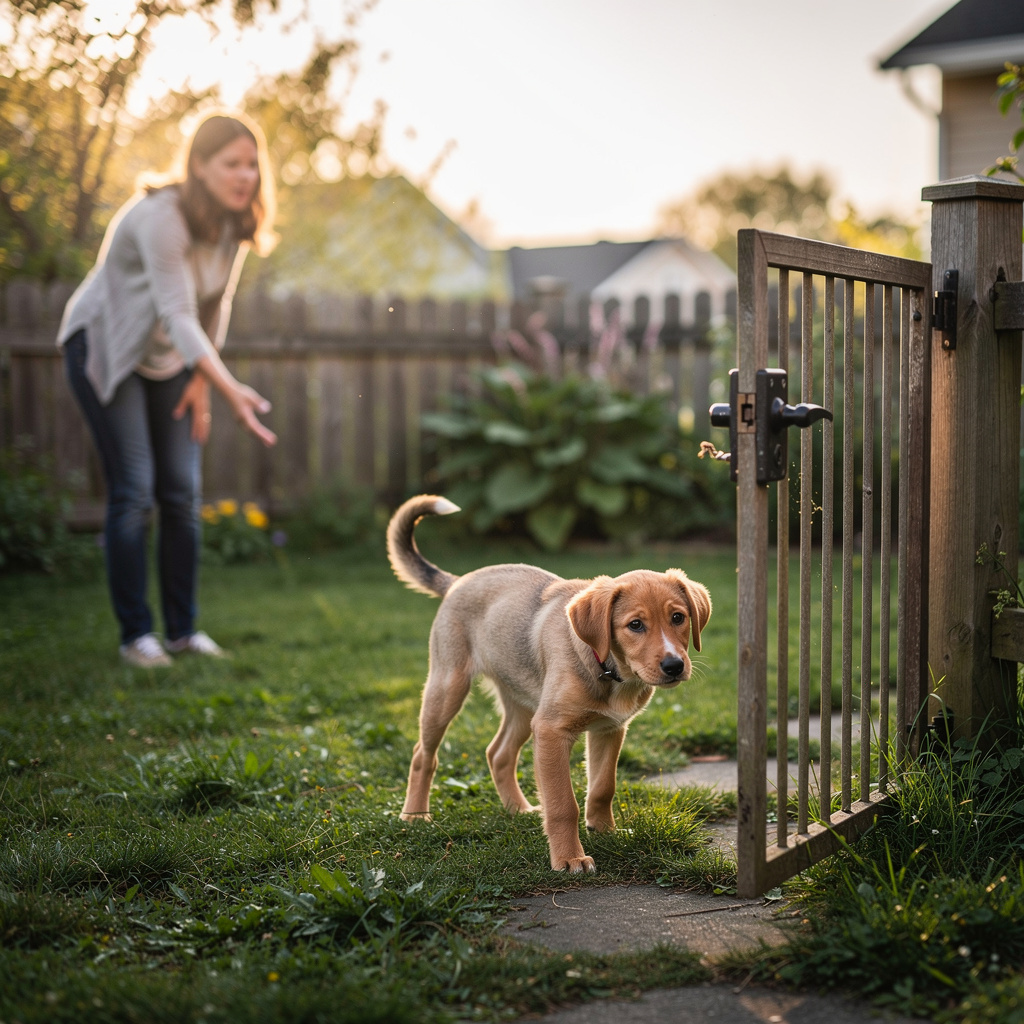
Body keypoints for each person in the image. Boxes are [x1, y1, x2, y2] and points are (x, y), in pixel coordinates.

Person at [57, 111, 278, 668]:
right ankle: (137, 636)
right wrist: (231, 391)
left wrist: (202, 382)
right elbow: (179, 314)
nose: (244, 175)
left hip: (168, 357)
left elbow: (213, 307)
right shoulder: (161, 217)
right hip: (105, 346)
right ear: (199, 166)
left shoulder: (233, 224)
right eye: (231, 163)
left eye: (252, 164)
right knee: (134, 490)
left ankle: (182, 633)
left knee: (180, 491)